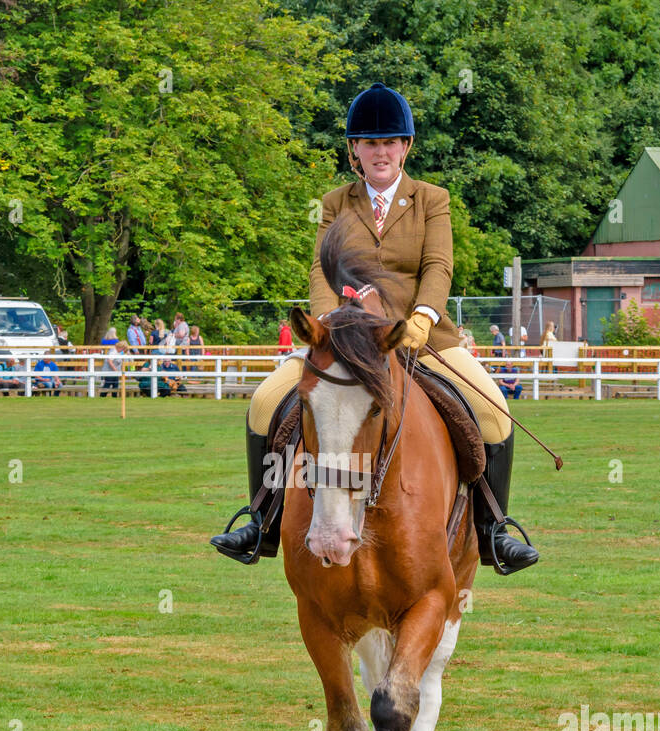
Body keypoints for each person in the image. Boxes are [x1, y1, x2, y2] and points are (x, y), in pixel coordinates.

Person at [211, 82, 538, 574]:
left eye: (390, 142)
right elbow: (322, 271)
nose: (380, 152)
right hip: (345, 343)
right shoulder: (334, 202)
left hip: (420, 340)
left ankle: (493, 532)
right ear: (354, 151)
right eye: (370, 143)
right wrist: (325, 325)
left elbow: (438, 266)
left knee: (494, 414)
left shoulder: (432, 199)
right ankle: (263, 522)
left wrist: (422, 320)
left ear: (406, 147)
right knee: (262, 405)